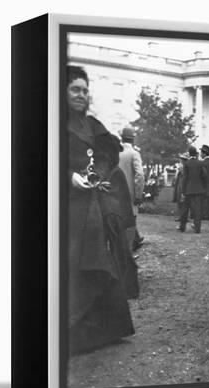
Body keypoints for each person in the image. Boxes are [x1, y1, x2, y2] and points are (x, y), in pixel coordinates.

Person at [66, 65, 136, 354]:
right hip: (66, 204)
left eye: (85, 90)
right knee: (74, 261)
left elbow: (109, 152)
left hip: (93, 202)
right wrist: (69, 176)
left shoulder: (92, 124)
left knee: (100, 256)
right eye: (75, 89)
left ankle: (106, 330)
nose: (82, 95)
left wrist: (100, 173)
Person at [118, 126, 145, 251]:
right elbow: (139, 174)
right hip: (130, 193)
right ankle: (128, 251)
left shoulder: (115, 153)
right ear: (133, 140)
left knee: (119, 220)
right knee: (131, 221)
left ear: (122, 139)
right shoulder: (134, 154)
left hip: (115, 193)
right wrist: (138, 194)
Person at [179, 145, 207, 233]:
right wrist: (203, 186)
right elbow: (204, 176)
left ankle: (182, 227)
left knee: (185, 209)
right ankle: (197, 228)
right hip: (199, 190)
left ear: (189, 153)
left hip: (188, 190)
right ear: (196, 153)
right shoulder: (200, 163)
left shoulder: (186, 164)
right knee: (197, 210)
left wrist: (183, 191)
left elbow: (184, 178)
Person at [172, 152, 189, 223]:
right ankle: (180, 216)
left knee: (183, 202)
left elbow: (184, 176)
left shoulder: (185, 167)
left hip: (183, 184)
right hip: (179, 184)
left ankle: (184, 217)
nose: (181, 160)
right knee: (179, 200)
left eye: (182, 159)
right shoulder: (181, 166)